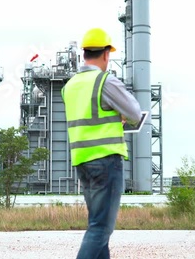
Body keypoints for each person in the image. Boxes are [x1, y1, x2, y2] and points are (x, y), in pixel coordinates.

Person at [62, 28, 142, 259]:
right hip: (106, 161)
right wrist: (121, 115)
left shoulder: (70, 86)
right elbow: (135, 113)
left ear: (84, 54)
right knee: (100, 228)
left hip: (82, 161)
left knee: (97, 224)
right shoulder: (104, 81)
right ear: (106, 54)